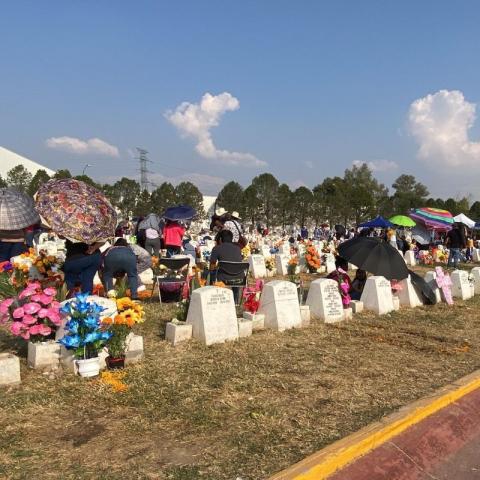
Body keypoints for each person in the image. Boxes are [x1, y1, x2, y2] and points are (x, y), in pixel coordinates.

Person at [209, 229, 243, 301]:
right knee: (234, 271)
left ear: (220, 239)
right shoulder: (238, 248)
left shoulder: (216, 248)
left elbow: (212, 266)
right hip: (239, 278)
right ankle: (236, 301)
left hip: (224, 278)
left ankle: (216, 297)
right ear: (231, 238)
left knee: (211, 273)